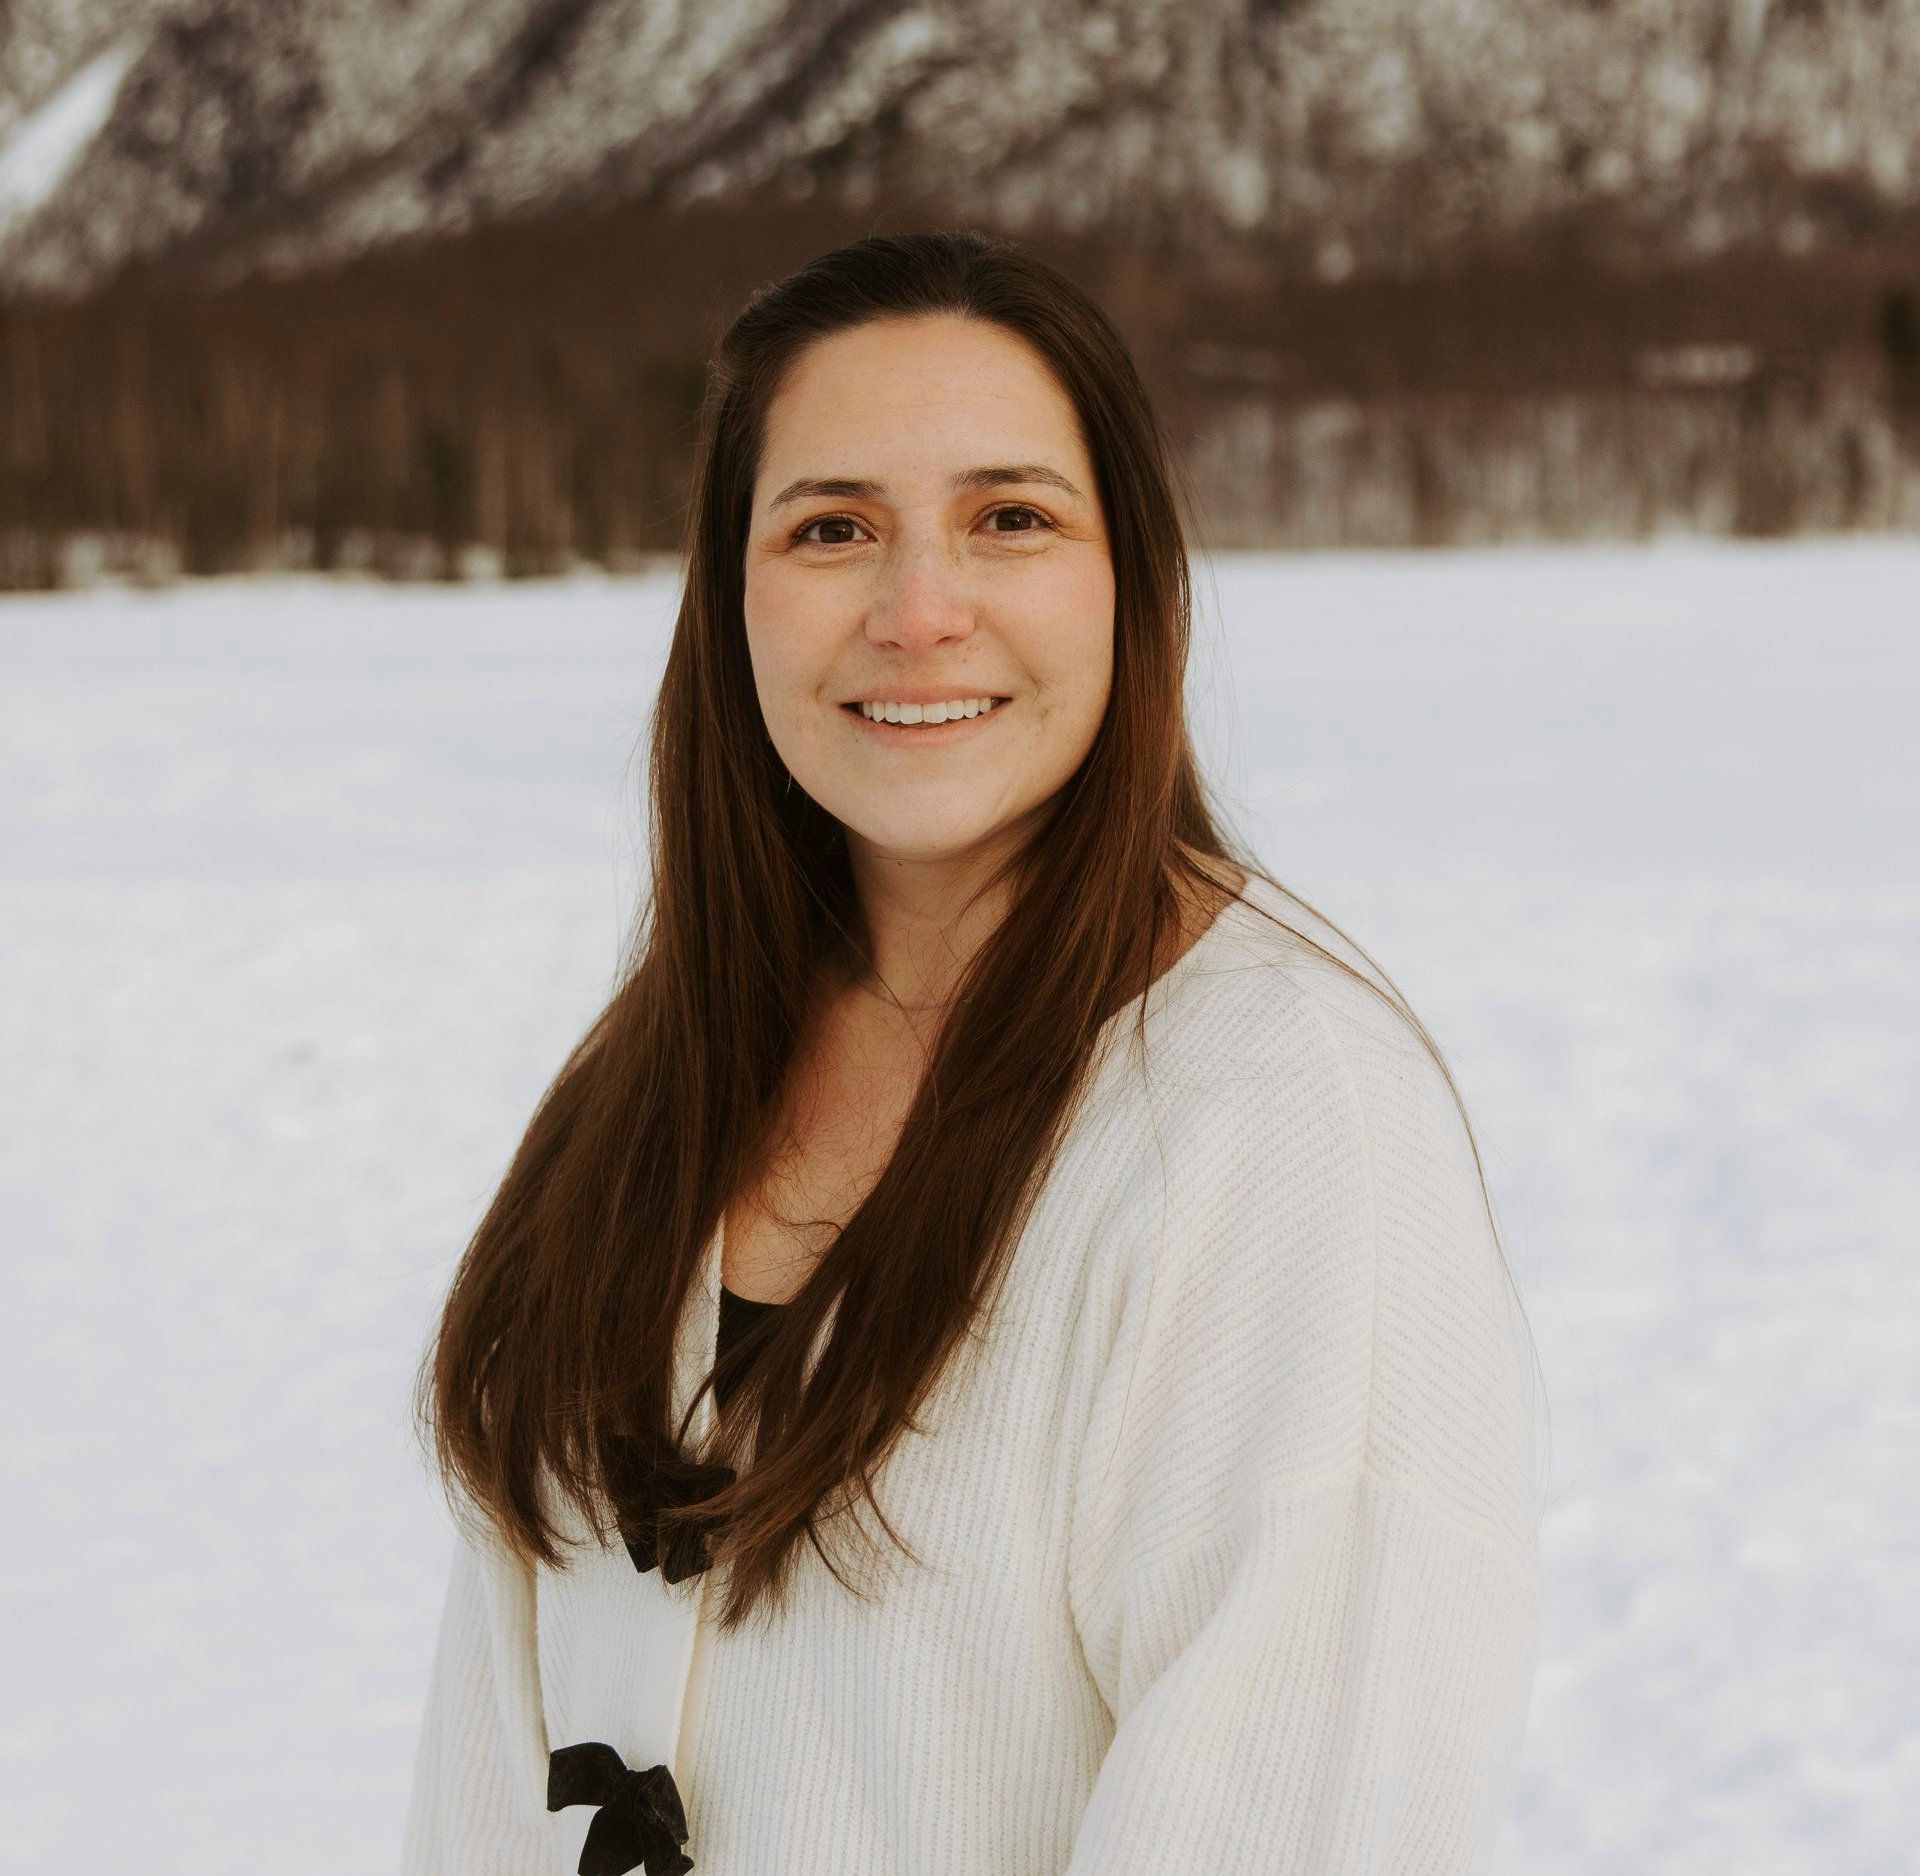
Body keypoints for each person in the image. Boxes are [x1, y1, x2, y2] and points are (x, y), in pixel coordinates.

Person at [402, 229, 1543, 1876]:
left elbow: (1295, 1815)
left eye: (1010, 519)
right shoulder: (654, 1087)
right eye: (831, 527)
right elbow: (481, 1786)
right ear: (732, 598)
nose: (916, 610)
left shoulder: (1283, 1123)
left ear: (1134, 584)